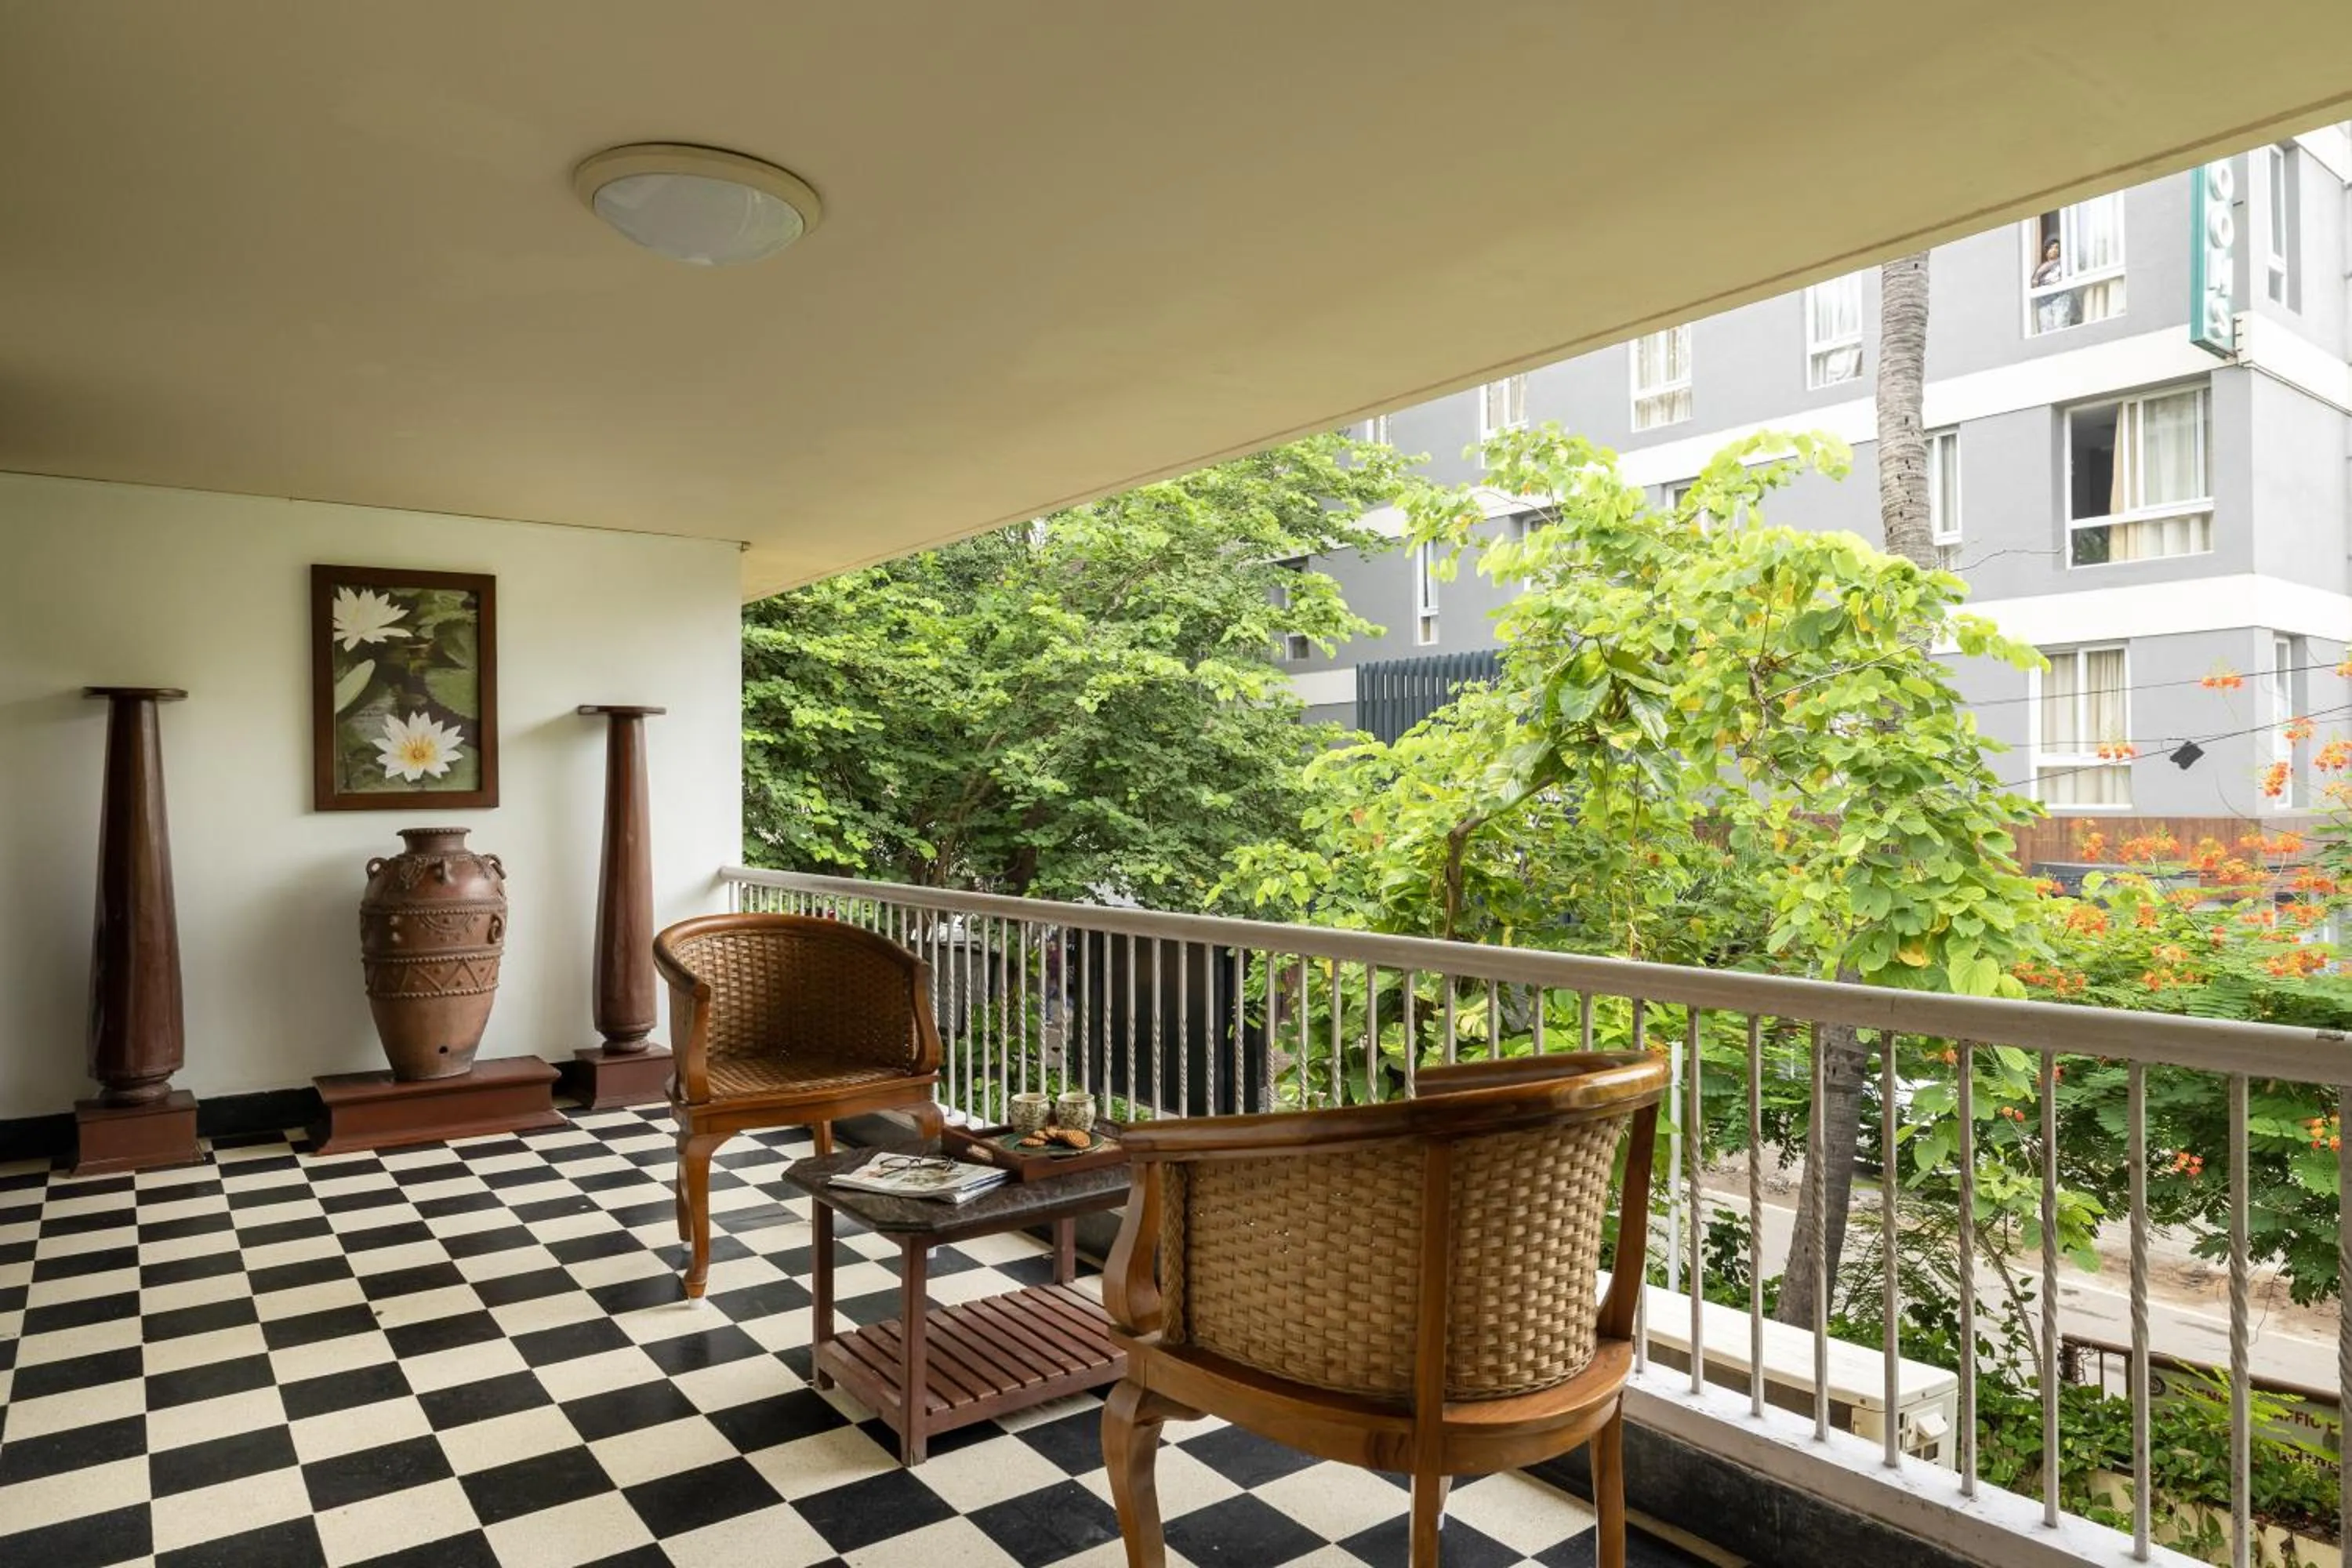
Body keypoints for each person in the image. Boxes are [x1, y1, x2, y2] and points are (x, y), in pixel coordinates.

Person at [2031, 235, 2076, 332]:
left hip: (2060, 297)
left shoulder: (2062, 263)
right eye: (2052, 247)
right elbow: (2035, 283)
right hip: (2045, 300)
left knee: (2060, 324)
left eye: (2057, 248)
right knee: (2046, 327)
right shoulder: (2042, 268)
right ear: (2046, 250)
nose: (2054, 250)